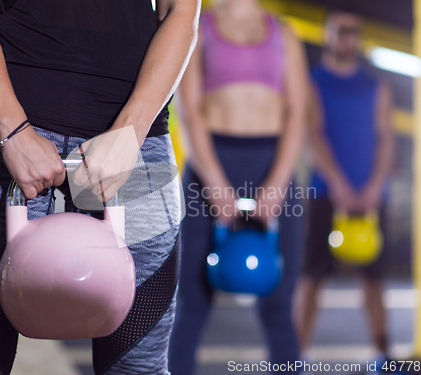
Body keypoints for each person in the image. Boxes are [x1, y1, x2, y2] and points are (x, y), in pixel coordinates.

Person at [0, 0, 199, 374]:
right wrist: (11, 127)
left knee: (139, 367)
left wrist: (131, 130)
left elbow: (181, 12)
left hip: (132, 144)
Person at [168, 0, 309, 373]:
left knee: (280, 301)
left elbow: (298, 112)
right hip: (211, 164)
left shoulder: (285, 34)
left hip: (272, 164)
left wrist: (278, 183)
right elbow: (189, 110)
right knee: (191, 300)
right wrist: (214, 183)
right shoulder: (198, 25)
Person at [295, 8, 395, 374]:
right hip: (326, 192)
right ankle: (296, 357)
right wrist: (337, 183)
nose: (346, 37)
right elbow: (313, 135)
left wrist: (373, 186)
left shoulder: (375, 87)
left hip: (371, 197)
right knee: (313, 275)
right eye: (340, 30)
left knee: (374, 280)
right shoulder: (313, 81)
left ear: (359, 37)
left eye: (353, 31)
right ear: (328, 34)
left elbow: (385, 138)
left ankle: (384, 357)